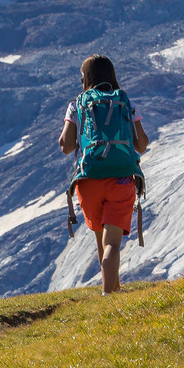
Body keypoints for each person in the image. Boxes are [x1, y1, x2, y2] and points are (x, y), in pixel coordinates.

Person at [59, 54, 149, 294]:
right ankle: (110, 294)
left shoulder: (77, 104)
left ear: (86, 77)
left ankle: (112, 289)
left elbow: (67, 146)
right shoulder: (125, 102)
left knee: (101, 240)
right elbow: (142, 144)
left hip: (88, 181)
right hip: (121, 179)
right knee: (113, 243)